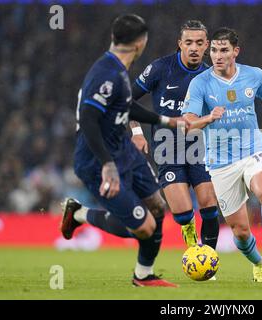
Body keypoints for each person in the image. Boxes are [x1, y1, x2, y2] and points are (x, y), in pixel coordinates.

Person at [60, 14, 181, 287]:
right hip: (97, 159)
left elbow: (126, 107)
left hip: (123, 149)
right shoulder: (106, 74)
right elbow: (88, 119)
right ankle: (79, 214)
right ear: (141, 42)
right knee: (143, 227)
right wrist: (106, 164)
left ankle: (143, 275)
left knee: (157, 207)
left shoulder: (119, 68)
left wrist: (167, 121)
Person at [182, 27, 262, 282]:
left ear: (236, 51)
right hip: (221, 161)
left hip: (253, 148)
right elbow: (188, 122)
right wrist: (208, 117)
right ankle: (258, 263)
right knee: (241, 232)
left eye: (224, 50)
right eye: (213, 50)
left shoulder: (254, 75)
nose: (217, 55)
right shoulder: (200, 83)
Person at [130, 21, 220, 253]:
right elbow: (127, 100)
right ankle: (193, 251)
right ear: (180, 44)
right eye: (188, 42)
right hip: (167, 148)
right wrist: (137, 132)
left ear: (206, 46)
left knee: (210, 206)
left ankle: (208, 259)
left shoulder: (211, 77)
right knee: (183, 214)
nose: (193, 48)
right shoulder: (161, 68)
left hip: (200, 147)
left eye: (199, 43)